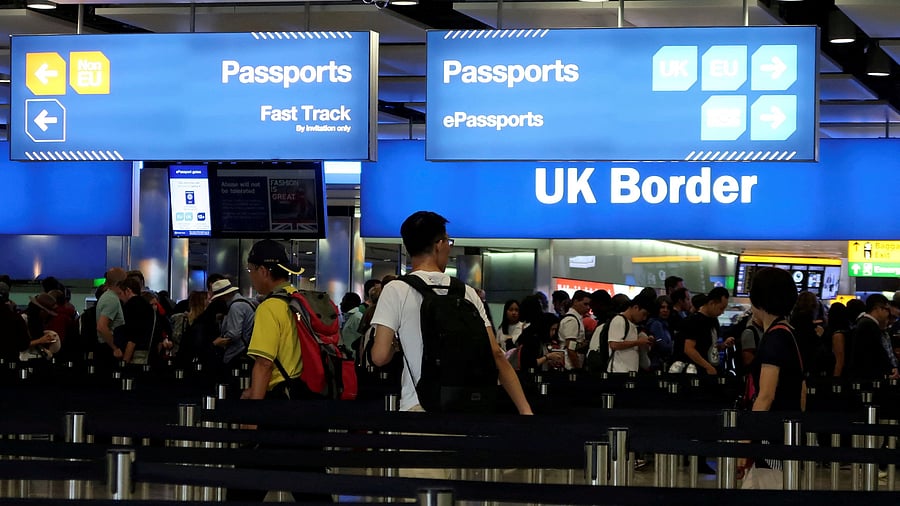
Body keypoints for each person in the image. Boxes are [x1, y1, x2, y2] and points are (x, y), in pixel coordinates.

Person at [370, 211, 532, 415]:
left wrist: (396, 345)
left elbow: (379, 356)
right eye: (448, 241)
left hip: (418, 407)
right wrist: (525, 410)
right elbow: (496, 354)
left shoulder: (396, 289)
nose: (449, 247)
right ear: (439, 244)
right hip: (465, 408)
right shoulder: (467, 293)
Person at [231, 239, 328, 503]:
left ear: (263, 270)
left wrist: (254, 412)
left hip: (278, 407)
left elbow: (264, 363)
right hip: (309, 401)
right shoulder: (301, 302)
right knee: (311, 485)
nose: (251, 276)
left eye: (251, 270)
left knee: (244, 483)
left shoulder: (270, 307)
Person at [737, 267, 805, 489]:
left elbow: (765, 396)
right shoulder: (788, 332)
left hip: (771, 440)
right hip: (786, 435)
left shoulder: (774, 339)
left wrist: (746, 442)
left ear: (759, 299)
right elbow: (802, 389)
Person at [210, 279, 256, 372]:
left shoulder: (235, 307)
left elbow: (234, 334)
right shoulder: (245, 302)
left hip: (238, 352)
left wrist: (220, 340)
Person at [607, 293, 656, 373]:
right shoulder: (619, 320)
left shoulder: (633, 325)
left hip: (630, 370)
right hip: (618, 371)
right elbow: (614, 344)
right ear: (636, 307)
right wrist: (638, 342)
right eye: (644, 314)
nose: (644, 318)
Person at [96, 268, 127, 366]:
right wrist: (115, 348)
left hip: (106, 347)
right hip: (108, 349)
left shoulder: (108, 296)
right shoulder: (111, 299)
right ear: (120, 283)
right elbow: (101, 326)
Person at [559, 290, 591, 370]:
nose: (588, 308)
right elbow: (570, 348)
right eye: (585, 304)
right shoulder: (572, 320)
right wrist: (578, 369)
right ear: (575, 302)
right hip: (569, 366)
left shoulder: (576, 318)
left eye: (589, 305)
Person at [646, 295, 674, 371]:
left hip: (661, 365)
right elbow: (663, 346)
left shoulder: (665, 324)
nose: (665, 310)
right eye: (662, 307)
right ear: (657, 308)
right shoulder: (656, 324)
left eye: (668, 308)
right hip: (655, 365)